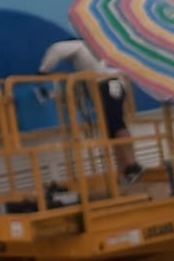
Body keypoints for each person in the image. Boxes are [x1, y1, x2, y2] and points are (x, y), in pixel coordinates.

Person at [40, 36, 143, 185]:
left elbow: (56, 49)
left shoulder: (79, 45)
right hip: (108, 85)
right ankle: (125, 169)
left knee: (116, 124)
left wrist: (42, 71)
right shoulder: (91, 57)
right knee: (111, 130)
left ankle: (132, 165)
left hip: (108, 83)